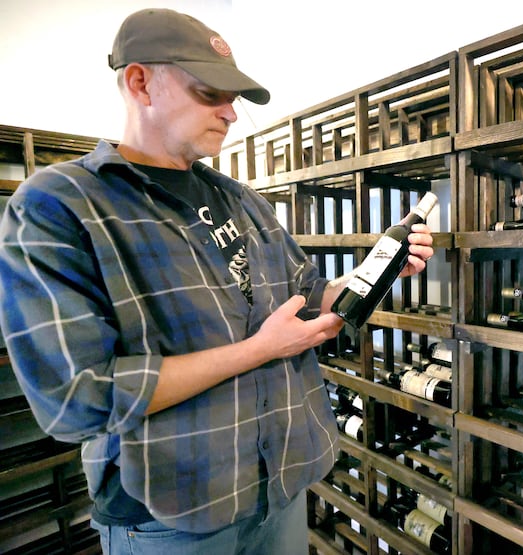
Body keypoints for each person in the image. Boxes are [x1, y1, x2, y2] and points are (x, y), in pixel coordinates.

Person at [0, 8, 433, 555]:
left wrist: (377, 271)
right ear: (140, 82)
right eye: (212, 92)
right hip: (169, 515)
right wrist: (256, 351)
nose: (231, 112)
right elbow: (75, 398)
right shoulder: (59, 205)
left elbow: (308, 294)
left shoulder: (242, 200)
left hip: (280, 487)